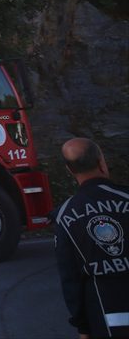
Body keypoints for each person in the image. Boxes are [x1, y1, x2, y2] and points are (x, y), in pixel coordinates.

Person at [54, 138, 129, 338]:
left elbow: (70, 279)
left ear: (70, 171)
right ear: (101, 162)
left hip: (105, 319)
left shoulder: (65, 217)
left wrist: (82, 327)